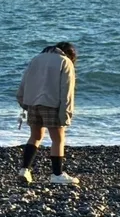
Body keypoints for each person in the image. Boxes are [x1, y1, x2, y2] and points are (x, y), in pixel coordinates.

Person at [16, 42, 79, 187]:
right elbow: (67, 91)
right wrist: (66, 114)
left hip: (32, 102)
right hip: (51, 103)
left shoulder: (36, 59)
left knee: (35, 136)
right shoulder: (65, 61)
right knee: (58, 139)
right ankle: (57, 175)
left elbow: (24, 82)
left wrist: (22, 100)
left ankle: (24, 170)